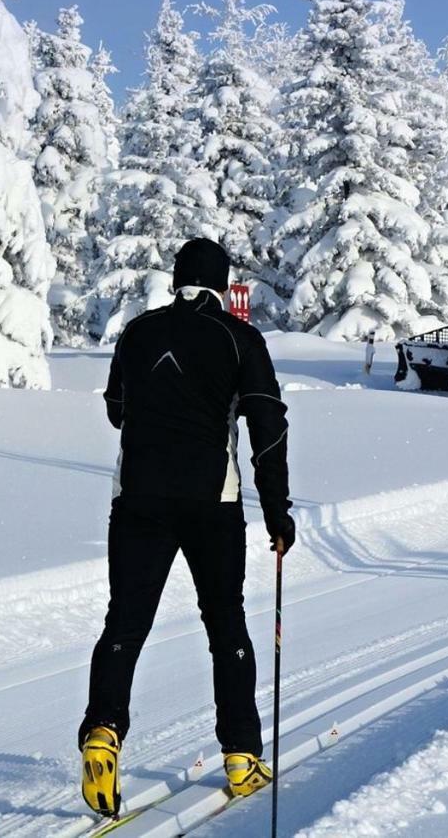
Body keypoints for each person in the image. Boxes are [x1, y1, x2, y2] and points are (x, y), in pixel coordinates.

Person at [78, 238, 295, 818]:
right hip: (211, 503)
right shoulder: (239, 338)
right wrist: (278, 512)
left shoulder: (138, 332)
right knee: (226, 624)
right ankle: (242, 756)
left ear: (177, 280)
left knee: (125, 621)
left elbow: (116, 408)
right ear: (222, 285)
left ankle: (103, 729)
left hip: (138, 499)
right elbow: (268, 427)